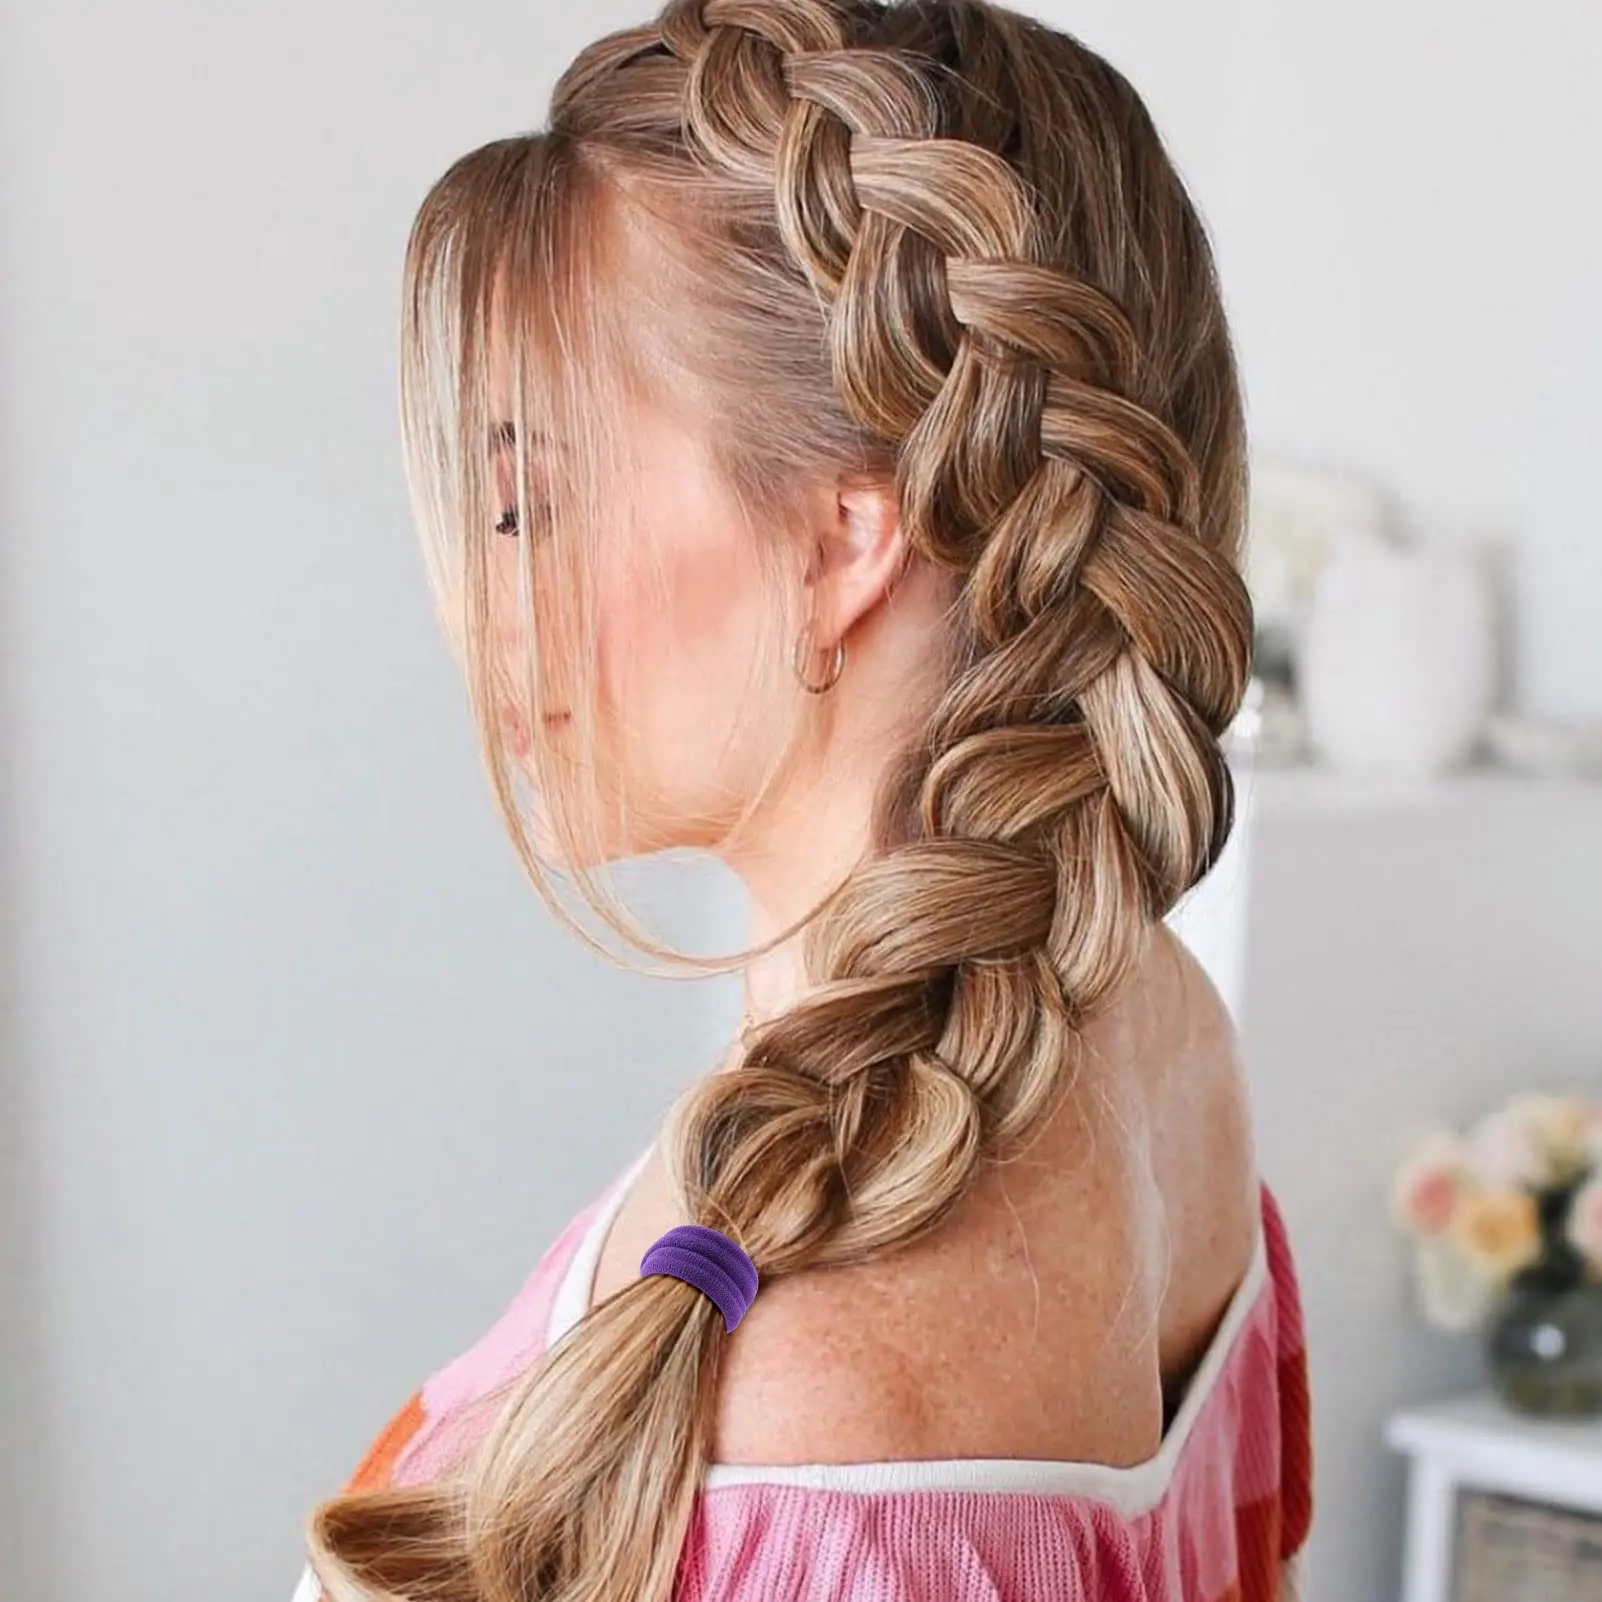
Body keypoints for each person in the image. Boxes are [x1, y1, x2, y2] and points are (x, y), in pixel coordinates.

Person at [293, 0, 1313, 1596]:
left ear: (844, 544)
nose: (474, 600)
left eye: (525, 501)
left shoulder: (813, 1432)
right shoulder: (1142, 1017)